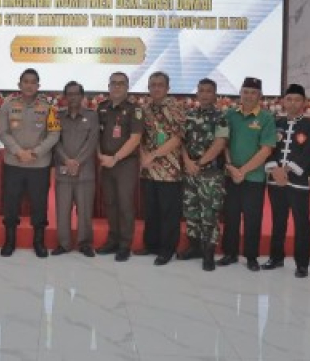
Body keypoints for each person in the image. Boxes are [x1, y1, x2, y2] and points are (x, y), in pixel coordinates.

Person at [0, 68, 61, 257]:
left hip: (39, 165)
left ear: (38, 86)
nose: (29, 85)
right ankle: (9, 241)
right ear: (19, 84)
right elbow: (2, 131)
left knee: (39, 204)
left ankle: (38, 242)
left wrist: (35, 153)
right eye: (25, 81)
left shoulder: (49, 107)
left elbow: (54, 133)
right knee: (11, 203)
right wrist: (18, 151)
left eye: (33, 82)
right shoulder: (8, 105)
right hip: (13, 163)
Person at [264, 83, 310, 277]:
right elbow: (268, 148)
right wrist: (274, 169)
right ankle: (276, 257)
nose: (293, 103)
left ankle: (302, 263)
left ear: (304, 102)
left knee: (301, 222)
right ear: (283, 101)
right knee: (278, 220)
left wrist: (288, 169)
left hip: (298, 182)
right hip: (275, 181)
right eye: (289, 99)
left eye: (297, 99)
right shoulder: (275, 123)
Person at [219, 77, 275, 270]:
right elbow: (223, 143)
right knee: (231, 216)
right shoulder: (229, 115)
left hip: (254, 178)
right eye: (246, 92)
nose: (249, 96)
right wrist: (230, 167)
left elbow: (266, 150)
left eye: (253, 93)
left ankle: (251, 257)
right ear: (240, 93)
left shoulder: (266, 118)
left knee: (253, 218)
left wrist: (242, 171)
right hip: (231, 175)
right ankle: (230, 253)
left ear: (259, 95)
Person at [177, 78, 229, 271]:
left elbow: (220, 144)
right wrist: (188, 162)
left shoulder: (221, 117)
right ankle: (195, 247)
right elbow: (181, 141)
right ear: (196, 93)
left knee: (209, 214)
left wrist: (199, 163)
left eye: (209, 91)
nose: (205, 94)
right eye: (201, 90)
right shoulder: (188, 115)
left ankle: (208, 253)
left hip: (211, 173)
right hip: (190, 171)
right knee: (191, 211)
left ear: (215, 94)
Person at [94, 72, 144, 262]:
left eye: (121, 84)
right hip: (106, 162)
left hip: (125, 164)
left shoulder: (134, 110)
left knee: (124, 204)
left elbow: (135, 138)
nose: (116, 87)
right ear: (108, 86)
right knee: (110, 203)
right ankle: (113, 240)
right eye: (113, 83)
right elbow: (97, 136)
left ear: (127, 86)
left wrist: (115, 158)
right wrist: (100, 155)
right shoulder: (102, 108)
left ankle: (125, 244)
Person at [137, 72, 186, 265]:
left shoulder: (177, 108)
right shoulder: (144, 109)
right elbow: (139, 136)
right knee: (151, 210)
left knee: (169, 212)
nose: (156, 88)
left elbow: (178, 138)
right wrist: (144, 157)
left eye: (160, 85)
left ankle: (167, 250)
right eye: (152, 85)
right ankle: (151, 245)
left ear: (167, 88)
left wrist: (153, 155)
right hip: (148, 169)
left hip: (169, 170)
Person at [52, 81, 99, 257]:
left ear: (82, 96)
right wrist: (67, 160)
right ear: (65, 97)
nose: (73, 97)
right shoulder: (58, 116)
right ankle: (63, 244)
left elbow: (92, 141)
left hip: (85, 172)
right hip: (63, 172)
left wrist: (77, 162)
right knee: (62, 210)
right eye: (69, 94)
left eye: (76, 94)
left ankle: (85, 243)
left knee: (85, 210)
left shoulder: (92, 116)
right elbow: (55, 141)